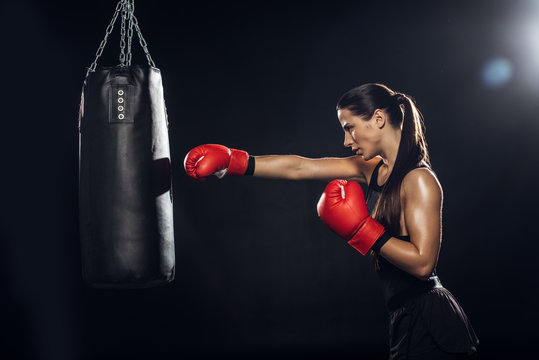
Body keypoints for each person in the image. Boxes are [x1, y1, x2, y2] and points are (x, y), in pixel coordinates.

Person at [183, 83, 479, 359]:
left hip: (430, 318)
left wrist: (363, 229)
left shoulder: (420, 179)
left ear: (378, 119)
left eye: (350, 128)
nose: (346, 140)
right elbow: (301, 167)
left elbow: (423, 264)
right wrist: (236, 161)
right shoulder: (373, 170)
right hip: (403, 316)